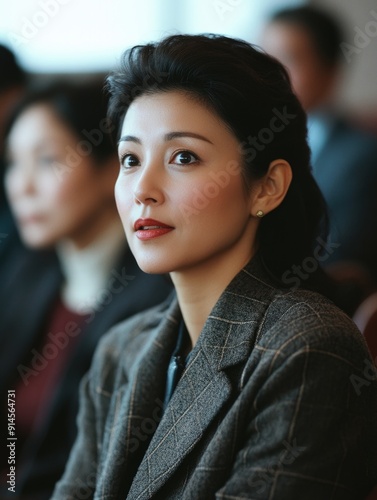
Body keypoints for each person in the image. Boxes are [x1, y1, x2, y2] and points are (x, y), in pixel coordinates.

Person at [53, 34, 377, 499]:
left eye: (183, 157)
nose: (143, 188)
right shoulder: (119, 350)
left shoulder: (308, 348)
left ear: (267, 186)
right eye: (130, 159)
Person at [0, 81, 173, 499]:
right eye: (11, 163)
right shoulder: (25, 274)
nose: (21, 186)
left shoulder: (156, 295)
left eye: (46, 161)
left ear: (109, 168)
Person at [261, 5, 377, 284]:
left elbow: (339, 258)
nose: (272, 74)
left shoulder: (363, 156)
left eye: (289, 59)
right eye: (265, 59)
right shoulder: (247, 145)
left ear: (330, 70)